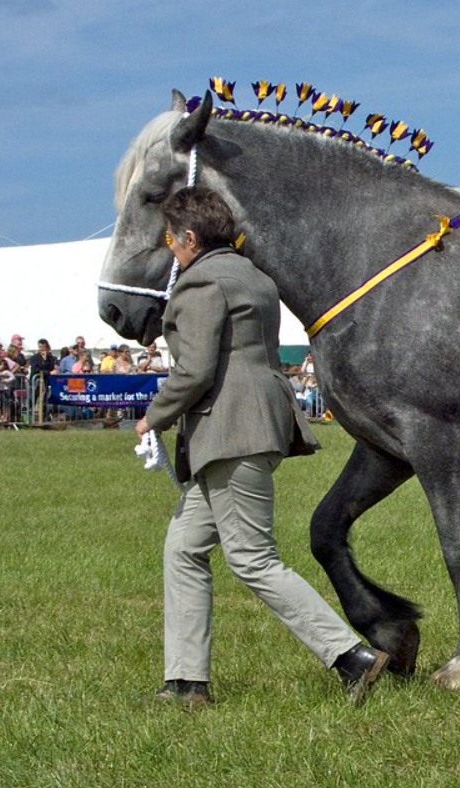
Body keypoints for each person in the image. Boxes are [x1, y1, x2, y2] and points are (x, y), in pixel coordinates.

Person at [134, 186, 384, 708]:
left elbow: (196, 368)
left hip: (230, 431)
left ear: (189, 238)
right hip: (251, 427)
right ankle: (187, 683)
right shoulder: (253, 275)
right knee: (183, 549)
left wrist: (154, 417)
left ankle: (349, 656)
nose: (169, 249)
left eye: (170, 239)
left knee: (251, 559)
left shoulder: (202, 282)